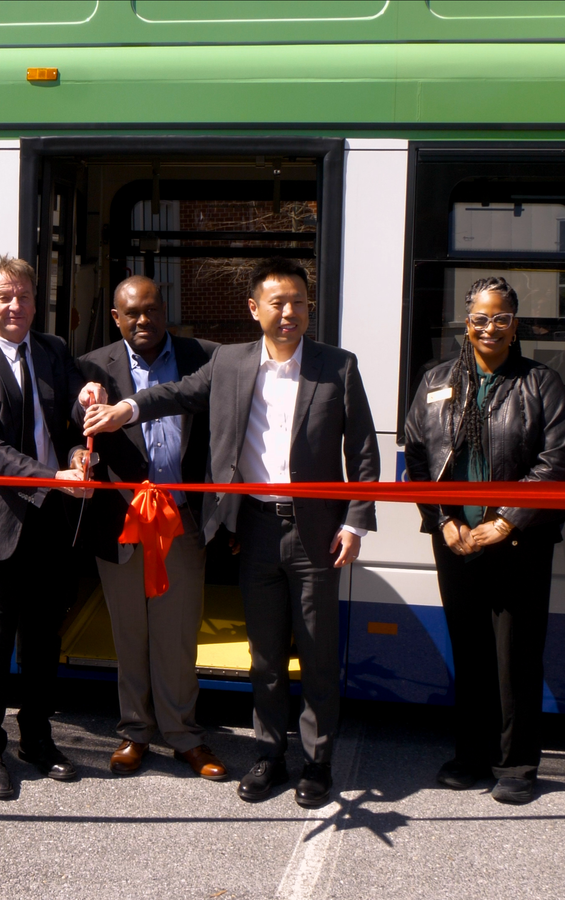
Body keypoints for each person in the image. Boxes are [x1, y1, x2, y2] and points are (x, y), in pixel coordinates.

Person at [85, 257, 378, 809]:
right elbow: (175, 393)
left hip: (316, 531)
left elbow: (362, 449)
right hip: (257, 528)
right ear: (254, 309)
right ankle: (269, 754)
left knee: (315, 652)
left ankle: (317, 763)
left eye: (298, 302)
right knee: (265, 656)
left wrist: (356, 520)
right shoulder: (231, 362)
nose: (288, 312)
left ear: (309, 309)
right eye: (277, 302)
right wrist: (126, 407)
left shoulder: (338, 366)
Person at [403, 276, 565, 806]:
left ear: (515, 324)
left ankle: (518, 763)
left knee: (517, 656)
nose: (489, 328)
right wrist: (444, 520)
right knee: (472, 653)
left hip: (519, 543)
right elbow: (416, 459)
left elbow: (555, 461)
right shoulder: (435, 383)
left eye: (501, 318)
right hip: (457, 543)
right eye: (480, 318)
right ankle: (471, 756)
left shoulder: (540, 383)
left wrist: (506, 521)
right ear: (466, 323)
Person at [0, 255, 106, 800]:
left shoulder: (56, 351)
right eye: (5, 297)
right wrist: (55, 475)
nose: (17, 307)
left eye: (26, 297)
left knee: (43, 640)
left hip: (50, 522)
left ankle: (37, 738)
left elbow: (67, 421)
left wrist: (80, 442)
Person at [75, 276, 226, 781]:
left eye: (152, 310)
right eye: (132, 313)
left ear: (167, 311)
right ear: (116, 318)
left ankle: (184, 735)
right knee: (129, 632)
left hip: (181, 521)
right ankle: (135, 732)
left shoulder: (206, 357)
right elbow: (70, 439)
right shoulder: (92, 367)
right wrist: (79, 454)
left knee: (177, 633)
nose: (144, 320)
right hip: (121, 522)